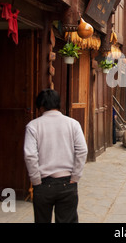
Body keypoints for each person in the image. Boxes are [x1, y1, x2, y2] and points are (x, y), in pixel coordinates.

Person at [24, 89, 88, 223]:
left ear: (40, 106)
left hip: (43, 183)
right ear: (58, 104)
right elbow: (82, 150)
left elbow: (30, 155)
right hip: (67, 182)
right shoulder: (73, 124)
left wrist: (36, 180)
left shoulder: (33, 126)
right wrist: (75, 176)